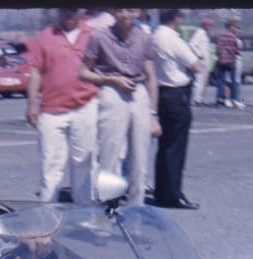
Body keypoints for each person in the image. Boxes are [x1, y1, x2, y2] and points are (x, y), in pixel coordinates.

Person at [78, 8, 161, 207]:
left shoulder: (144, 38)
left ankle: (136, 211)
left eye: (130, 10)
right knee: (109, 156)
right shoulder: (99, 37)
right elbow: (83, 73)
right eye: (120, 10)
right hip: (112, 92)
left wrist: (153, 114)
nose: (125, 15)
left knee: (140, 160)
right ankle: (105, 212)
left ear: (138, 13)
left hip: (138, 92)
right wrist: (110, 80)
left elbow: (151, 77)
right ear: (114, 12)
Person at [25, 8, 98, 204]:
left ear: (81, 11)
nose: (68, 14)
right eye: (64, 9)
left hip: (86, 105)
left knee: (84, 163)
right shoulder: (46, 36)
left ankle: (84, 211)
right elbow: (36, 72)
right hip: (51, 109)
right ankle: (47, 210)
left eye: (73, 10)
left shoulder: (93, 34)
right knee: (50, 164)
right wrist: (32, 104)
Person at [151, 9, 201, 208]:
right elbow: (196, 65)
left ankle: (162, 192)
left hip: (160, 92)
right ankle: (173, 194)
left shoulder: (155, 36)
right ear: (176, 18)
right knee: (176, 146)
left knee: (164, 146)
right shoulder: (173, 38)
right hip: (176, 92)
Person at [214, 19, 243, 108]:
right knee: (233, 81)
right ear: (230, 27)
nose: (235, 28)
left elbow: (217, 49)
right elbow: (236, 50)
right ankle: (234, 99)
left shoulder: (220, 36)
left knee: (221, 81)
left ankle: (220, 99)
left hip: (221, 61)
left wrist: (220, 56)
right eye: (234, 26)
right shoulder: (233, 37)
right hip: (231, 61)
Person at [188, 17, 213, 106]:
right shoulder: (199, 33)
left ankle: (200, 98)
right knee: (199, 80)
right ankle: (196, 99)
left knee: (204, 81)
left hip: (206, 60)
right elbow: (191, 44)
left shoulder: (205, 34)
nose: (210, 27)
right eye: (209, 25)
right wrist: (199, 54)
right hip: (201, 60)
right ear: (204, 25)